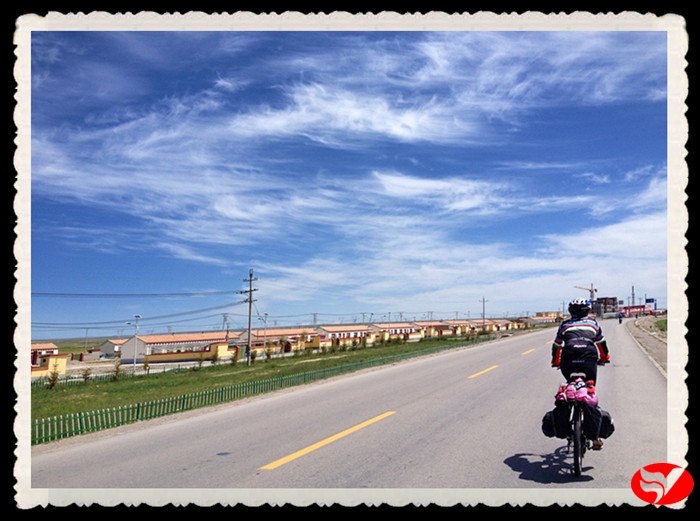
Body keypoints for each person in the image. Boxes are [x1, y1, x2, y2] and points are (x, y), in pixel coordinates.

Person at [551, 298, 611, 450]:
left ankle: (568, 416)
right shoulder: (593, 323)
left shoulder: (564, 324)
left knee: (571, 387)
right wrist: (605, 358)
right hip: (588, 361)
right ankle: (595, 436)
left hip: (568, 361)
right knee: (589, 392)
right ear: (587, 310)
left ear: (571, 311)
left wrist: (556, 361)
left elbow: (557, 345)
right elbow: (601, 343)